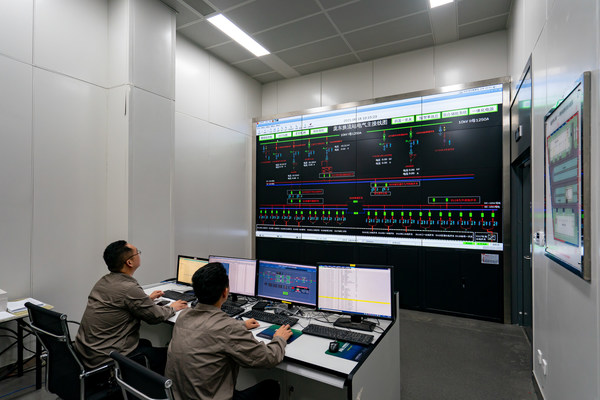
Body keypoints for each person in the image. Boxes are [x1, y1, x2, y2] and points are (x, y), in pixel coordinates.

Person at [166, 262, 293, 400]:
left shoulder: (184, 315)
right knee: (271, 387)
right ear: (225, 292)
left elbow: (211, 329)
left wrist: (240, 325)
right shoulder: (228, 328)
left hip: (180, 396)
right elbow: (268, 359)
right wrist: (279, 338)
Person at [74, 240, 187, 374]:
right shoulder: (129, 288)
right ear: (129, 262)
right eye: (137, 252)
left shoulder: (104, 281)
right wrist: (173, 307)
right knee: (172, 355)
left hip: (88, 352)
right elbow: (156, 316)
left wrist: (147, 299)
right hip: (107, 358)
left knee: (145, 343)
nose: (139, 255)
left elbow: (119, 302)